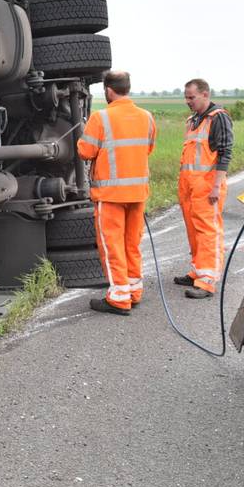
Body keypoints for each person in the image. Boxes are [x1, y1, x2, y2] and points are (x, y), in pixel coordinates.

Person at [76, 70, 157, 316]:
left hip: (110, 195)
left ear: (109, 91)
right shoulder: (147, 117)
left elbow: (85, 152)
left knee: (112, 247)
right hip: (137, 193)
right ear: (127, 88)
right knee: (132, 244)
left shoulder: (101, 118)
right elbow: (148, 148)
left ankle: (119, 297)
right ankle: (134, 291)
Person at [175, 78, 233, 299]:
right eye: (186, 97)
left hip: (208, 186)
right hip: (189, 186)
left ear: (205, 94)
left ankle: (207, 281)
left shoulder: (218, 118)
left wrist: (217, 186)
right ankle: (197, 271)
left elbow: (225, 152)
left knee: (208, 232)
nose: (187, 101)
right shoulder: (193, 120)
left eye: (191, 97)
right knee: (193, 229)